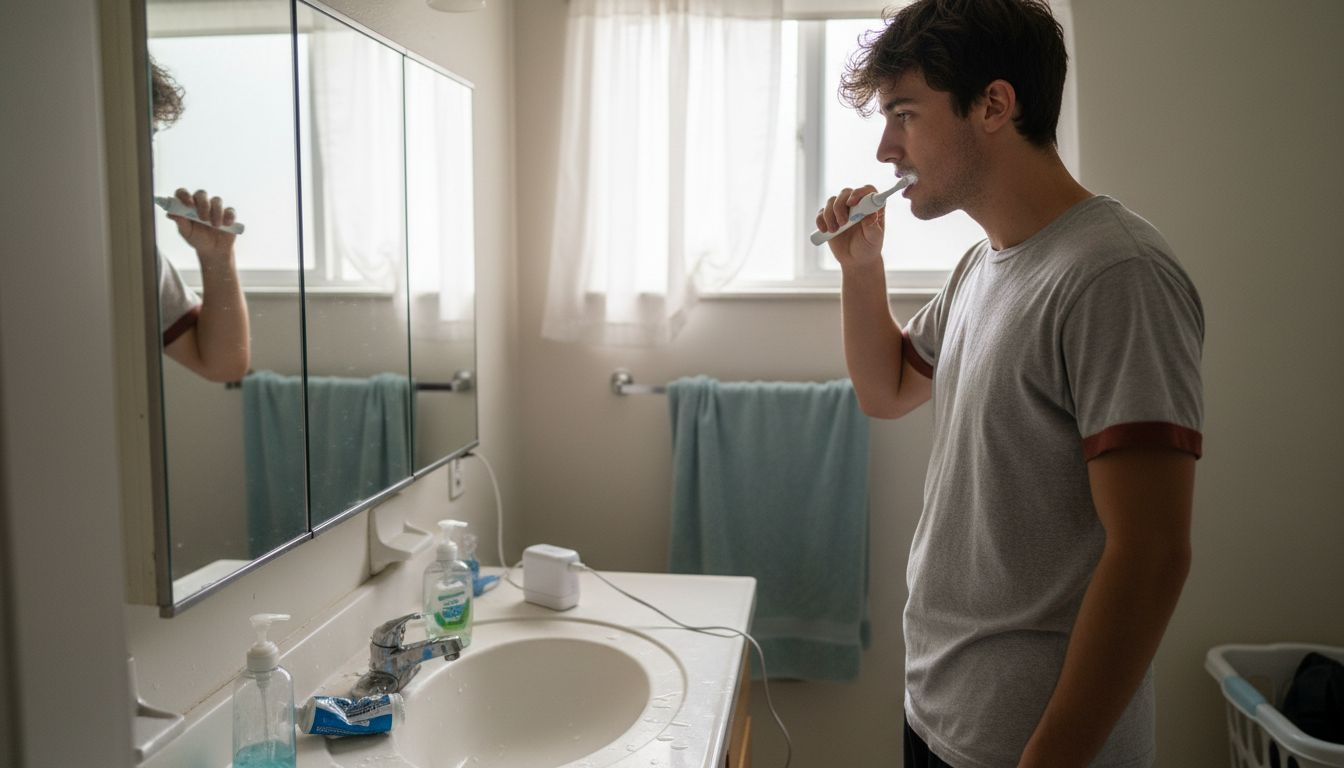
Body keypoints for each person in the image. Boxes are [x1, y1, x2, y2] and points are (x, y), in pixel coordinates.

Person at [814, 1, 1203, 766]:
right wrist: (862, 271)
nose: (887, 148)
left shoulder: (1116, 275)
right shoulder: (984, 265)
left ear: (994, 104)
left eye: (904, 114)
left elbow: (1152, 553)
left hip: (1027, 742)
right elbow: (886, 391)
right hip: (941, 708)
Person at [150, 58, 251, 383]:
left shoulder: (133, 253)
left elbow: (222, 365)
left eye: (149, 136)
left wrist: (218, 257)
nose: (145, 156)